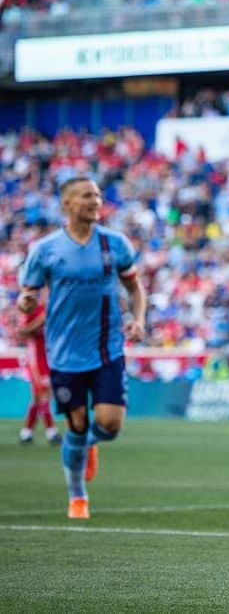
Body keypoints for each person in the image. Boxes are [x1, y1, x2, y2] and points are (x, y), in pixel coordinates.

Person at [18, 177, 146, 519]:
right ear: (67, 204)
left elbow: (135, 288)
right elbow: (26, 299)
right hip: (63, 352)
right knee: (75, 424)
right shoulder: (46, 250)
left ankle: (91, 442)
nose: (96, 201)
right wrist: (27, 304)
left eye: (99, 195)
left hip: (107, 348)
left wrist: (138, 318)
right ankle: (77, 496)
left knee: (110, 424)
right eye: (87, 195)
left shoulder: (114, 244)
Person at [16, 301, 60, 446]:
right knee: (44, 394)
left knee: (37, 398)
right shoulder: (32, 310)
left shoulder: (52, 309)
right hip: (36, 359)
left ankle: (26, 433)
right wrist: (42, 319)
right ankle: (51, 432)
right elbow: (22, 332)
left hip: (50, 359)